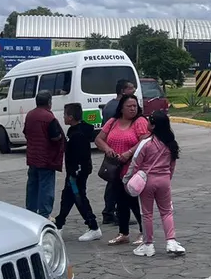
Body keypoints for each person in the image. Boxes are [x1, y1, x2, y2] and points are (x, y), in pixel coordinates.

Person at [125, 109, 186, 257]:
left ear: (153, 125)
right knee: (166, 211)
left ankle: (148, 244)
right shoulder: (171, 143)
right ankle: (171, 241)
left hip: (147, 181)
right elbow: (172, 166)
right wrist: (167, 178)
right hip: (164, 180)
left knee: (147, 213)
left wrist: (127, 179)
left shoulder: (146, 143)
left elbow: (135, 163)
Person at [96, 94, 149, 245]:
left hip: (133, 169)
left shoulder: (139, 121)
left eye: (135, 106)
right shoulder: (113, 122)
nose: (133, 109)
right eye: (129, 106)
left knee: (133, 201)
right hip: (116, 169)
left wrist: (129, 153)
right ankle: (123, 232)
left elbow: (145, 141)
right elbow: (99, 139)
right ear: (121, 108)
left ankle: (144, 231)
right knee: (120, 201)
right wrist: (107, 149)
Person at [54, 103, 102, 241]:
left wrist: (76, 172)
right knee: (67, 197)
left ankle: (93, 226)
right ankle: (59, 224)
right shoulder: (73, 131)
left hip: (77, 173)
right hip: (72, 172)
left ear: (70, 117)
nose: (63, 117)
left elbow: (81, 155)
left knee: (79, 197)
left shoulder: (78, 134)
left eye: (65, 115)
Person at [101, 79, 138, 223]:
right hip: (119, 153)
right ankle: (116, 213)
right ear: (123, 91)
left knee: (112, 183)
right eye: (130, 88)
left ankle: (109, 212)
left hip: (111, 152)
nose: (134, 90)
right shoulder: (117, 109)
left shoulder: (108, 105)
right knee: (118, 184)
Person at [23, 90, 65, 218]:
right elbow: (55, 137)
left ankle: (30, 212)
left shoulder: (30, 115)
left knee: (32, 186)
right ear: (49, 102)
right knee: (46, 187)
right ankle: (44, 214)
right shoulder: (49, 117)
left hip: (32, 157)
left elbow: (26, 132)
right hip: (46, 158)